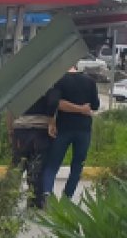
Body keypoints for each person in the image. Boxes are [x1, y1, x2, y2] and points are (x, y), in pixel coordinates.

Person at [41, 65, 100, 202]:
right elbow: (95, 106)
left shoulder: (59, 80)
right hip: (84, 130)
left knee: (52, 164)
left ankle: (47, 194)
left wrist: (51, 122)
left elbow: (54, 103)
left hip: (63, 129)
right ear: (76, 66)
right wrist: (81, 109)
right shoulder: (90, 81)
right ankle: (67, 199)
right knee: (77, 166)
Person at [8, 86, 60, 209]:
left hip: (20, 130)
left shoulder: (20, 86)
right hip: (41, 131)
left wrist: (10, 131)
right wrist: (52, 119)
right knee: (37, 167)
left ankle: (7, 198)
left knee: (17, 166)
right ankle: (34, 201)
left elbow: (9, 109)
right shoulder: (49, 84)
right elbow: (54, 101)